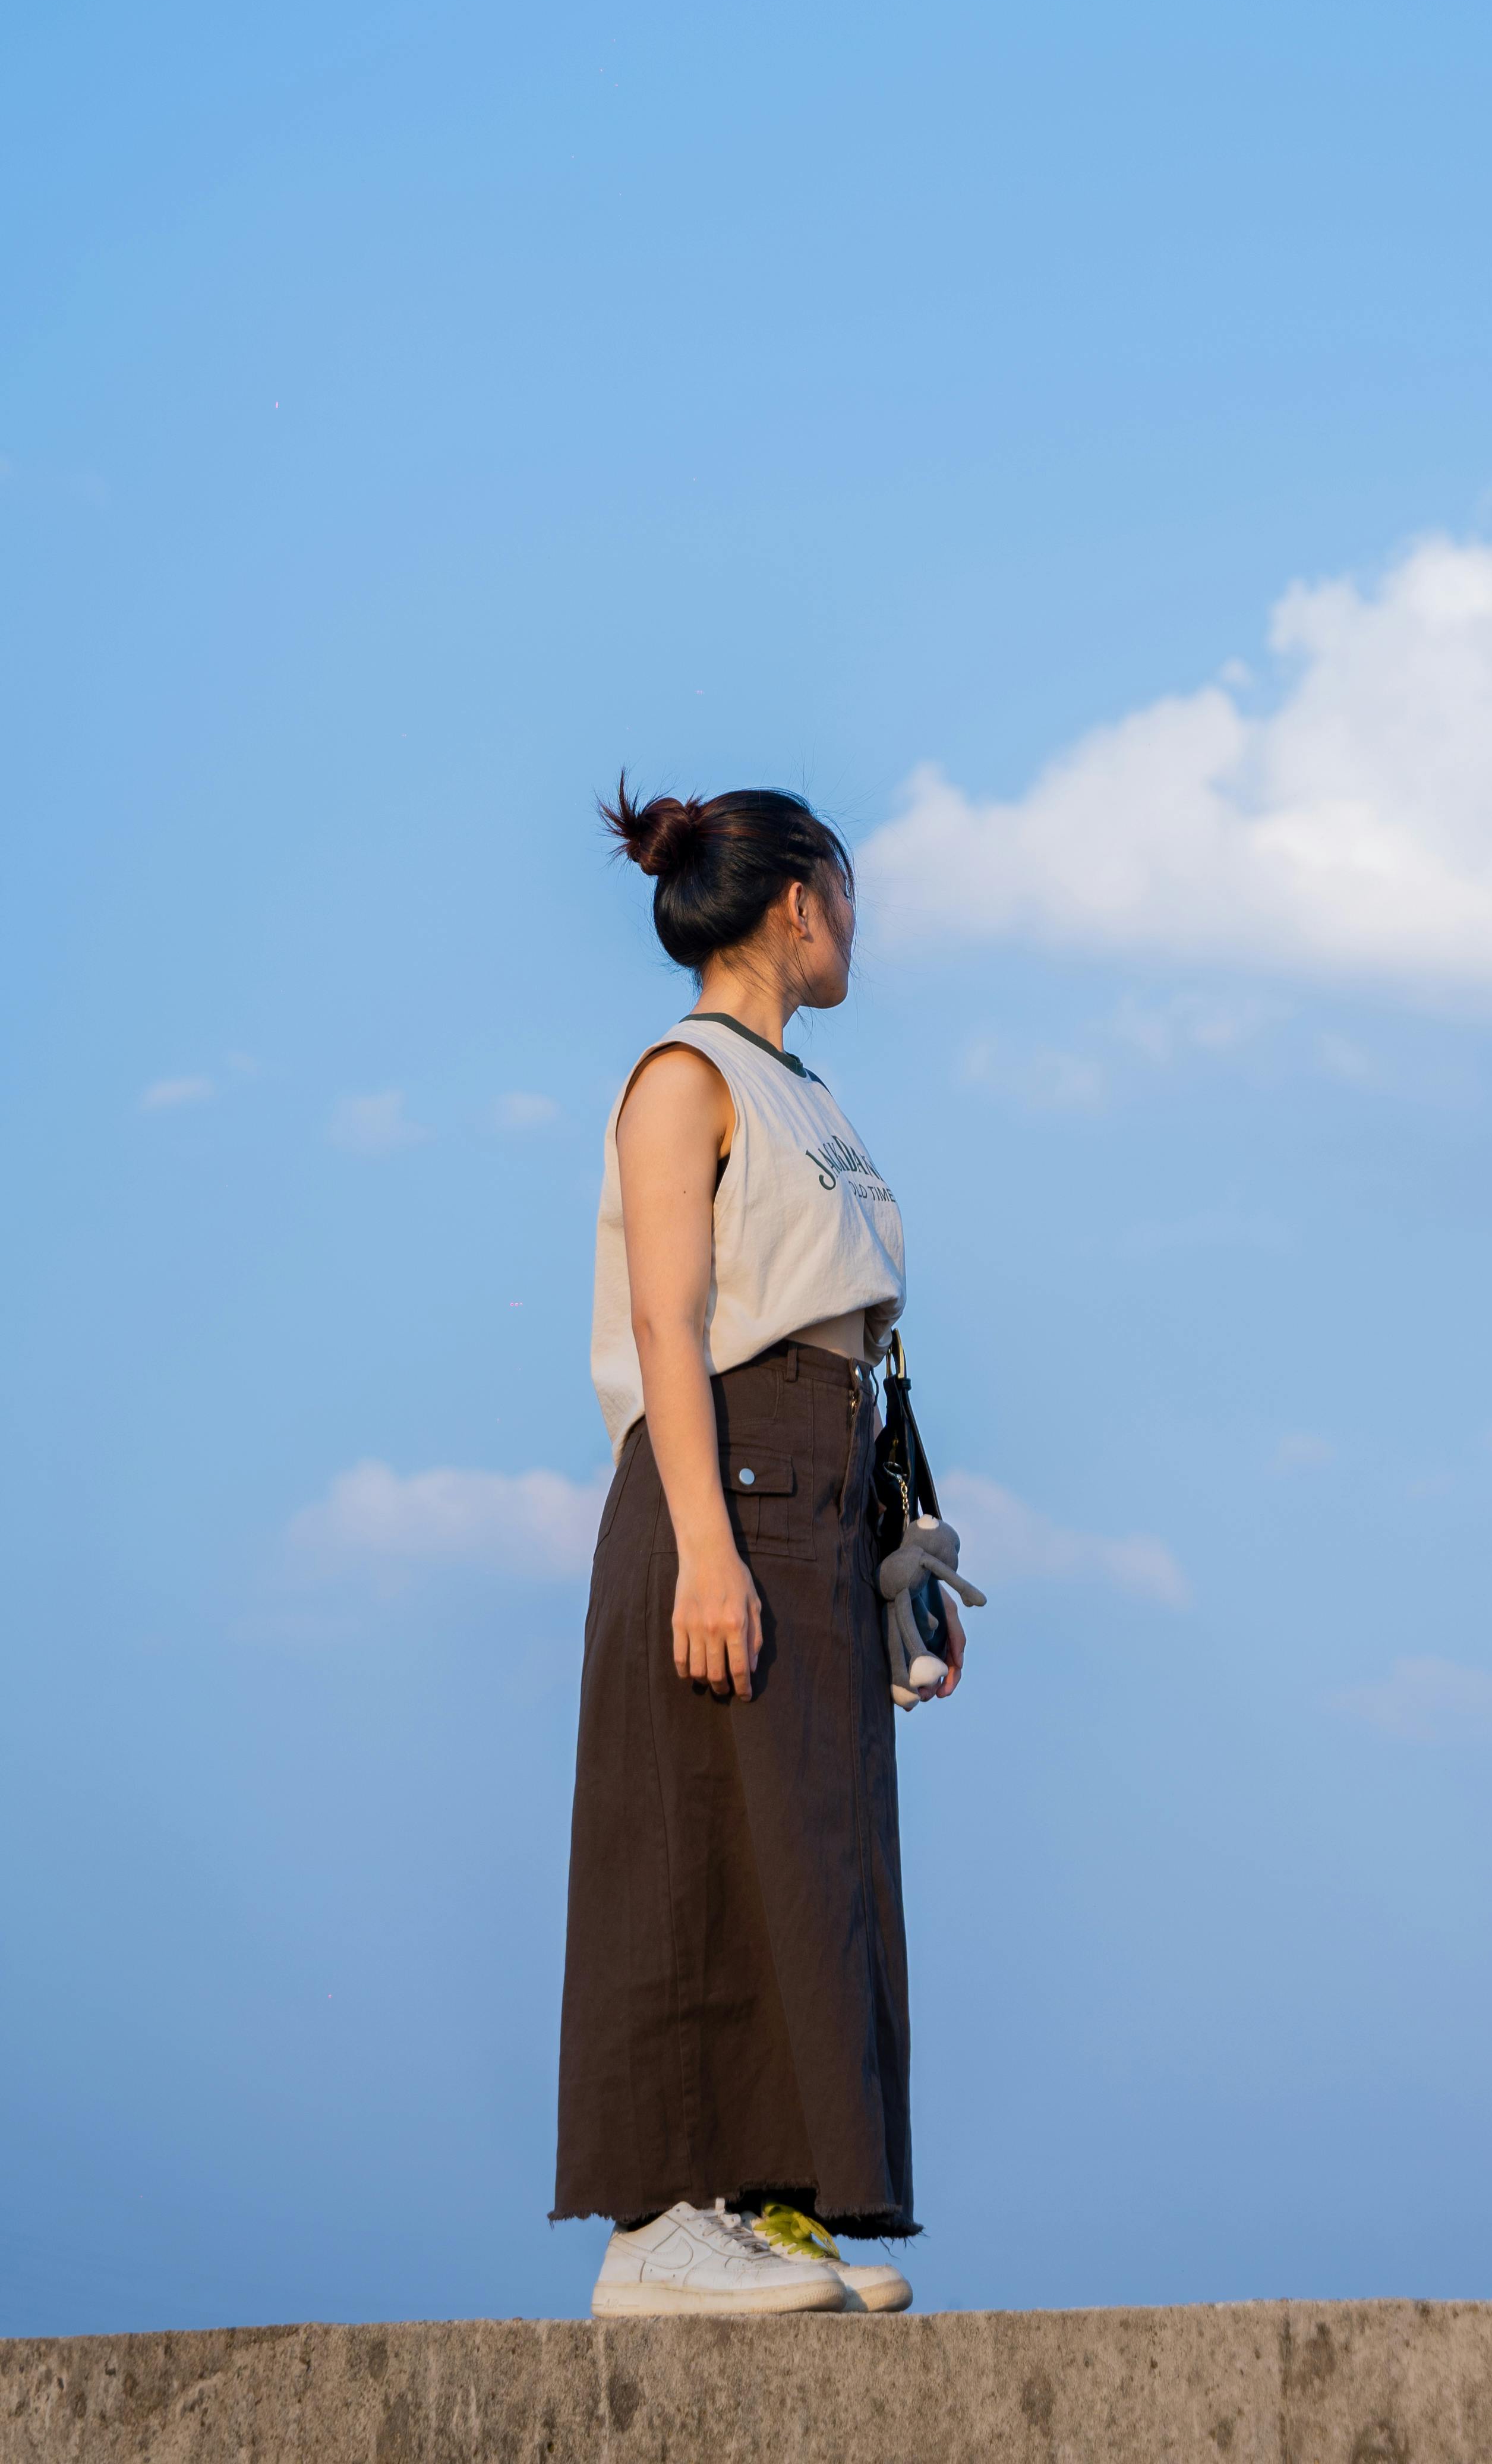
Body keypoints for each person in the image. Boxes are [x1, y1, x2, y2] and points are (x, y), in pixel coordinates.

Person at [552, 779, 965, 2318]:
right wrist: (706, 1553)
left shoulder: (812, 1094)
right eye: (847, 893)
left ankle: (765, 2204)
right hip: (712, 1472)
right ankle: (658, 2220)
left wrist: (895, 1546)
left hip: (814, 1469)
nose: (856, 924)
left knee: (811, 1841)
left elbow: (855, 1336)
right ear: (800, 900)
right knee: (695, 1830)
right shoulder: (684, 1073)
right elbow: (668, 1319)